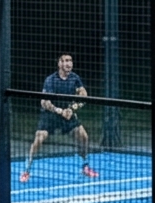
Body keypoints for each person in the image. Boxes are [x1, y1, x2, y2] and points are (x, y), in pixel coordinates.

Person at [20, 52, 99, 183]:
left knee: (83, 136)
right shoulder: (50, 80)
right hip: (50, 114)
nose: (68, 63)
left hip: (67, 114)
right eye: (65, 61)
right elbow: (44, 102)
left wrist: (72, 108)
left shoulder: (75, 78)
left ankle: (85, 166)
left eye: (70, 61)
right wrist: (59, 110)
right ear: (59, 63)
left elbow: (84, 95)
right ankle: (27, 170)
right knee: (39, 139)